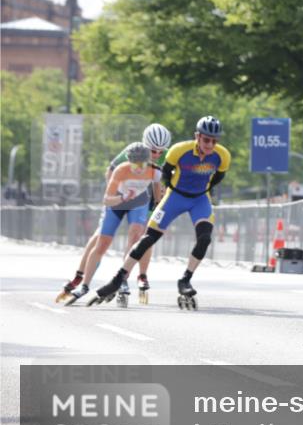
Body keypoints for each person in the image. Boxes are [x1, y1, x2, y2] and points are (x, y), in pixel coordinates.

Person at [90, 116, 230, 308]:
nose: (210, 144)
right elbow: (164, 175)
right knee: (148, 239)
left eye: (214, 141)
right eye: (206, 139)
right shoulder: (179, 150)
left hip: (199, 200)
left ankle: (185, 279)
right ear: (197, 136)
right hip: (175, 198)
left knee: (205, 238)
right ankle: (117, 280)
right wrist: (162, 196)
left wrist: (203, 190)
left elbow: (218, 178)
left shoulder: (222, 155)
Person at [58, 123, 171, 304]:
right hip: (121, 193)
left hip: (145, 194)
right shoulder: (133, 151)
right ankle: (80, 276)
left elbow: (164, 181)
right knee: (100, 237)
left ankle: (136, 276)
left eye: (160, 151)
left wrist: (160, 200)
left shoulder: (166, 156)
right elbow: (110, 171)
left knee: (142, 235)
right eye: (153, 151)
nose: (157, 155)